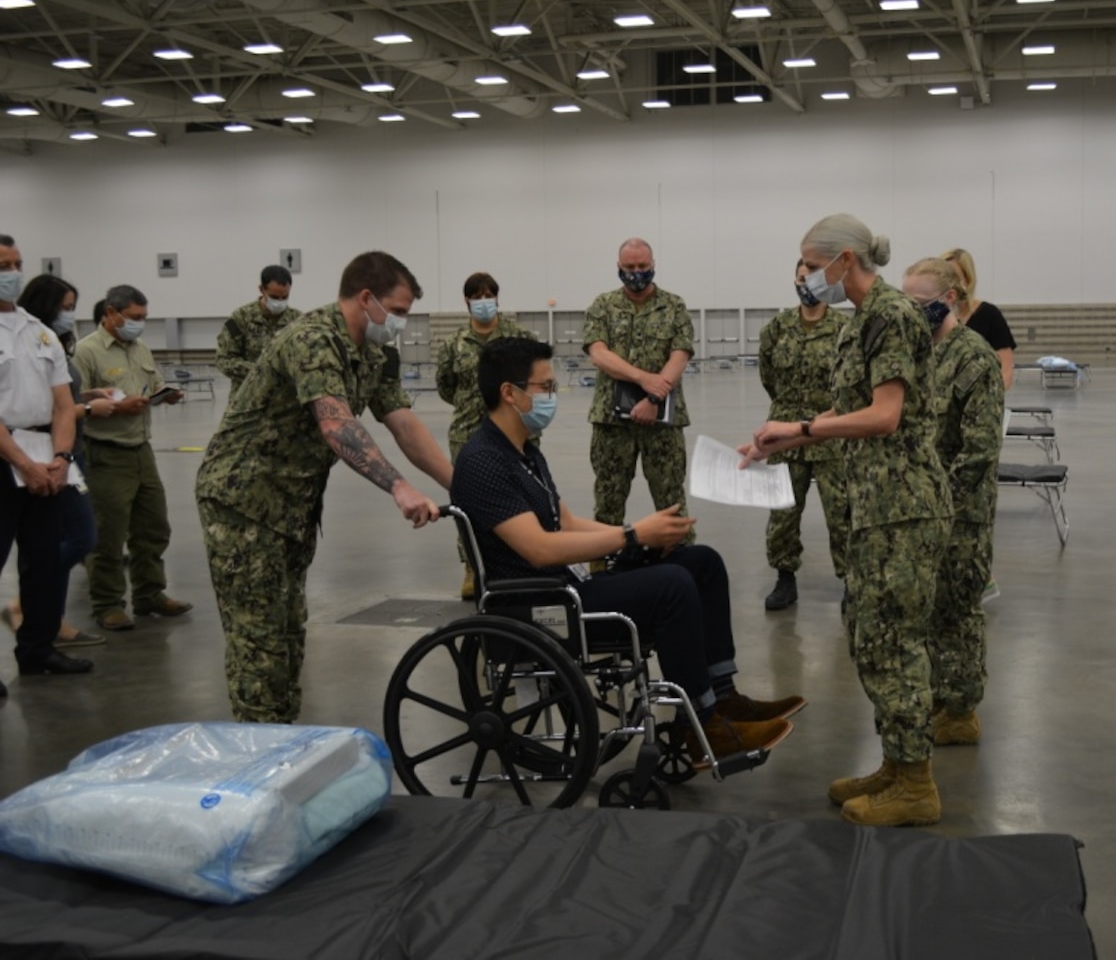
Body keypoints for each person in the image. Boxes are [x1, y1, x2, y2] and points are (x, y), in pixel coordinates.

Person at [452, 337, 803, 765]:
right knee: (671, 585)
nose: (552, 396)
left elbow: (564, 522)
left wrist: (639, 532)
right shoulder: (483, 461)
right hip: (539, 603)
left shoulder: (524, 451)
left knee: (700, 563)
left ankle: (721, 699)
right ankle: (700, 726)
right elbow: (541, 549)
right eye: (545, 387)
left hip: (568, 585)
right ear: (510, 392)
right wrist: (633, 537)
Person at [740, 214, 952, 827]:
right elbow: (853, 404)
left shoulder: (889, 313)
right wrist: (777, 443)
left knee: (895, 641)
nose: (805, 276)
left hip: (903, 509)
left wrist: (802, 428)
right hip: (878, 507)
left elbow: (885, 416)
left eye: (811, 264)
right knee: (872, 635)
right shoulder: (865, 321)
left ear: (844, 262)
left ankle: (916, 783)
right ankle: (896, 763)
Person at [195, 251, 452, 724]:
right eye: (396, 312)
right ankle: (259, 748)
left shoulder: (372, 352)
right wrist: (399, 488)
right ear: (366, 298)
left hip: (290, 504)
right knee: (259, 637)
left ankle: (280, 735)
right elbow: (336, 424)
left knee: (289, 630)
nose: (399, 324)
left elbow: (403, 423)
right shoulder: (313, 339)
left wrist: (461, 485)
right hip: (243, 499)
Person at [903, 257, 1004, 747]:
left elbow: (980, 451)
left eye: (918, 304)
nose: (910, 312)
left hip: (960, 513)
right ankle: (941, 696)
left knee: (959, 609)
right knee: (933, 607)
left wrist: (945, 505)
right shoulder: (921, 351)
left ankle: (962, 709)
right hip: (924, 507)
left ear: (948, 300)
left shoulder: (974, 357)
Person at [2, 275, 116, 650]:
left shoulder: (45, 338)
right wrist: (88, 408)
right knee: (72, 538)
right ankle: (28, 611)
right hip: (18, 452)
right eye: (65, 308)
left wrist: (62, 455)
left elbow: (59, 403)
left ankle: (43, 636)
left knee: (50, 546)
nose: (70, 315)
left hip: (57, 453)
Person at [0, 233, 93, 686]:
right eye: (3, 265)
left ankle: (37, 648)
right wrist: (21, 462)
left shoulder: (37, 329)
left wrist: (59, 456)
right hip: (6, 457)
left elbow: (63, 403)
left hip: (46, 456)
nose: (12, 274)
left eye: (16, 264)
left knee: (42, 561)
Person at [72, 284, 191, 632]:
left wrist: (162, 396)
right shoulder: (86, 352)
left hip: (142, 450)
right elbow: (72, 402)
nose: (139, 324)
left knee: (153, 528)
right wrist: (113, 407)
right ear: (111, 313)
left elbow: (148, 387)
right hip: (105, 454)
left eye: (144, 318)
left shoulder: (141, 349)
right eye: (134, 318)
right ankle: (108, 603)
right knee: (108, 535)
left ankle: (149, 593)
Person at [583, 238, 695, 540]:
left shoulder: (674, 306)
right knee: (608, 498)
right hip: (612, 422)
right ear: (618, 267)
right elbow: (598, 353)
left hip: (663, 420)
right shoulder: (603, 306)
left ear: (653, 265)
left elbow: (680, 354)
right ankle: (603, 565)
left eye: (642, 266)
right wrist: (644, 379)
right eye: (629, 267)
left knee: (671, 498)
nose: (636, 272)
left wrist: (655, 396)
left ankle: (681, 559)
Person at [756, 259, 850, 611]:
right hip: (783, 435)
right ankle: (784, 578)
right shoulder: (776, 328)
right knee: (782, 513)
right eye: (801, 278)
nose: (806, 285)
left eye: (813, 279)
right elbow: (768, 378)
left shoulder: (845, 328)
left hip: (832, 435)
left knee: (841, 513)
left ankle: (850, 580)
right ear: (793, 280)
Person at [436, 271, 534, 600]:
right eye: (476, 296)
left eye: (488, 294)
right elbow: (445, 387)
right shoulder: (454, 344)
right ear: (467, 301)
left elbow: (533, 380)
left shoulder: (516, 337)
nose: (483, 301)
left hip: (513, 431)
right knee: (467, 502)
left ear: (497, 297)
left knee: (520, 495)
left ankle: (520, 560)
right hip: (466, 432)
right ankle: (471, 566)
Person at [943, 246, 1014, 602]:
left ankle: (981, 574)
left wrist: (980, 401)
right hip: (944, 419)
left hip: (978, 416)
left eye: (954, 274)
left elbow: (1005, 369)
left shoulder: (988, 316)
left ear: (966, 278)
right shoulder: (936, 319)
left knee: (974, 498)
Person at [215, 265, 301, 403]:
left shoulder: (297, 320)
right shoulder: (240, 318)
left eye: (284, 297)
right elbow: (223, 360)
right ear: (262, 290)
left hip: (286, 405)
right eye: (274, 297)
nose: (279, 302)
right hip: (248, 401)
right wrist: (260, 372)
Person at [942, 248, 1016, 391]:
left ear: (968, 279)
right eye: (943, 276)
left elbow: (1005, 372)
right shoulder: (933, 317)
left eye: (954, 277)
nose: (948, 283)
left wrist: (989, 403)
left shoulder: (989, 315)